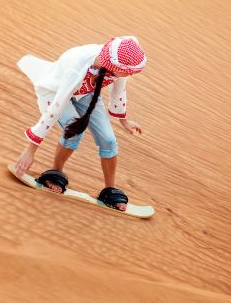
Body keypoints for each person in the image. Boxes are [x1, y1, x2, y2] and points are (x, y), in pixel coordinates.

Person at [12, 36, 146, 211]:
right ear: (115, 66)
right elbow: (57, 107)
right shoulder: (78, 67)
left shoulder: (117, 64)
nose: (130, 74)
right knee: (73, 131)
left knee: (109, 140)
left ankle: (109, 190)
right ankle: (55, 172)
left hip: (86, 93)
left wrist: (124, 121)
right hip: (55, 92)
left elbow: (119, 91)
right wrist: (30, 150)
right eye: (128, 71)